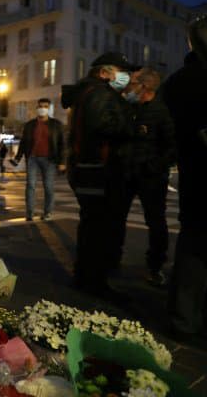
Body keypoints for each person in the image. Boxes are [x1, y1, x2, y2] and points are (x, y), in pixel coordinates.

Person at [60, 52, 135, 296]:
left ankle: (87, 276)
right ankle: (93, 281)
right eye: (121, 70)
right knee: (98, 228)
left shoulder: (87, 93)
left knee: (92, 226)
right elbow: (103, 125)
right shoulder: (99, 94)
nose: (126, 76)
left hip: (88, 168)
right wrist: (133, 126)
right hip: (99, 169)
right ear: (104, 73)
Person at [162, 15, 207, 340]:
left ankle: (184, 320)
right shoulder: (196, 80)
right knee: (194, 254)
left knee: (192, 249)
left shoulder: (177, 82)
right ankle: (187, 320)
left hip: (195, 179)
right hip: (201, 174)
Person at [115, 68, 176, 286]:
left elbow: (172, 146)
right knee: (117, 218)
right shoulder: (130, 109)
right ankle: (114, 260)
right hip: (128, 173)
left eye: (133, 82)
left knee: (156, 221)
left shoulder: (161, 112)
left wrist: (153, 165)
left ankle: (155, 266)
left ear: (145, 86)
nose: (129, 86)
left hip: (151, 177)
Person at [12, 98, 66, 221]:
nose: (43, 108)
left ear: (49, 108)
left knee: (48, 187)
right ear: (37, 108)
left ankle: (47, 212)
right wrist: (18, 158)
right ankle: (29, 213)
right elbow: (24, 142)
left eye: (45, 106)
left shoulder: (56, 125)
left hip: (50, 159)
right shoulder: (30, 125)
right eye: (41, 106)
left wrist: (63, 162)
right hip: (32, 158)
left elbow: (63, 144)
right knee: (30, 185)